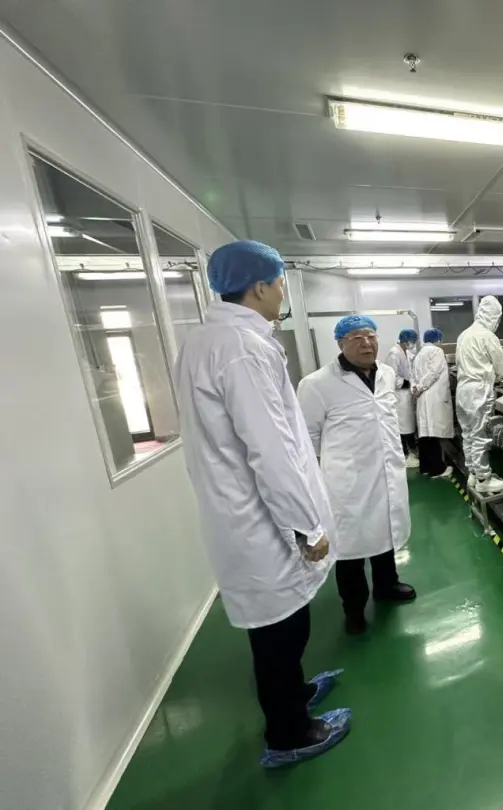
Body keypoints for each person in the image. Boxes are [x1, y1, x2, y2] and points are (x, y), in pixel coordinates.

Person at [173, 240, 350, 769]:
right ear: (258, 287)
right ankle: (289, 734)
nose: (281, 295)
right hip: (260, 518)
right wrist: (306, 525)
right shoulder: (243, 348)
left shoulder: (206, 339)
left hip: (239, 511)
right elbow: (271, 449)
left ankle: (295, 695)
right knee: (281, 630)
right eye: (277, 285)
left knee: (277, 626)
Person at [297, 315, 415, 637]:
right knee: (349, 548)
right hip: (347, 482)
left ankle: (386, 585)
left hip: (387, 472)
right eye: (356, 338)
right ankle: (354, 608)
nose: (366, 344)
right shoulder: (317, 384)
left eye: (371, 336)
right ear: (340, 343)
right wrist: (322, 475)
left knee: (385, 533)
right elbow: (307, 437)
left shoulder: (386, 374)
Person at [455, 296, 503, 494]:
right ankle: (484, 479)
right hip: (478, 392)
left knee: (468, 434)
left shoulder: (464, 334)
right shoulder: (487, 336)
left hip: (463, 390)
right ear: (494, 317)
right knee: (481, 436)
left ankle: (473, 474)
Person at [412, 329, 454, 478]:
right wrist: (420, 387)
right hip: (433, 396)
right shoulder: (437, 351)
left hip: (423, 397)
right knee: (433, 433)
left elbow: (413, 376)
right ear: (437, 339)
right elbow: (434, 372)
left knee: (425, 433)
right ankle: (437, 469)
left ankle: (425, 467)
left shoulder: (419, 354)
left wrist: (416, 388)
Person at [386, 328, 420, 468]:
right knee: (402, 427)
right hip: (399, 395)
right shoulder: (394, 353)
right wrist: (407, 383)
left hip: (406, 394)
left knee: (409, 425)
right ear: (405, 341)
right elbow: (391, 377)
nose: (412, 344)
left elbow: (410, 370)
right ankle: (405, 455)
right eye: (411, 342)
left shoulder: (406, 352)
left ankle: (411, 452)